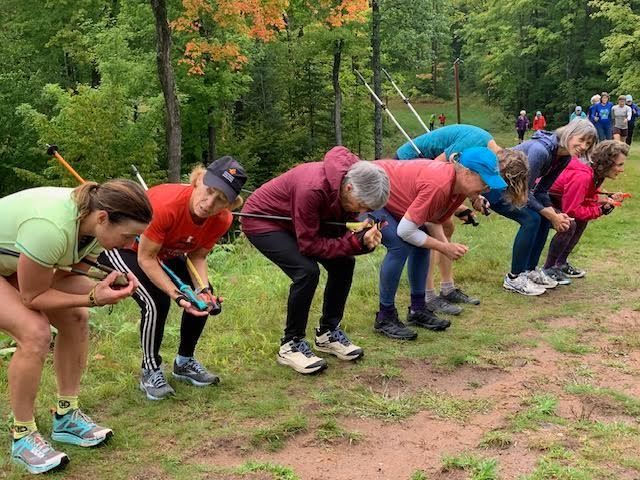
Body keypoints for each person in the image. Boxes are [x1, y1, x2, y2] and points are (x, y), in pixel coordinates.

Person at [0, 180, 152, 474]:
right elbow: (33, 297)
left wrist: (105, 286)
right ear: (104, 218)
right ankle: (22, 435)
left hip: (12, 263)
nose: (130, 245)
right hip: (11, 267)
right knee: (35, 332)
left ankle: (66, 416)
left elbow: (63, 280)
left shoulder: (93, 226)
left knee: (76, 316)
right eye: (129, 236)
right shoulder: (52, 228)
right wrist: (95, 296)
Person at [99, 157, 247, 400]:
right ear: (198, 180)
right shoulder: (166, 207)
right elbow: (147, 259)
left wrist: (201, 288)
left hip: (165, 251)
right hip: (125, 246)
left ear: (231, 205)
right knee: (157, 301)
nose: (209, 203)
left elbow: (198, 257)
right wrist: (177, 294)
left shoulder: (222, 220)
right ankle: (150, 369)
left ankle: (184, 362)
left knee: (203, 300)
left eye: (221, 199)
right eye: (209, 191)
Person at [241, 147, 389, 374]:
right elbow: (309, 245)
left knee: (344, 263)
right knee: (306, 271)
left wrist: (362, 238)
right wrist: (356, 243)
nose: (360, 212)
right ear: (348, 188)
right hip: (264, 221)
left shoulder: (349, 182)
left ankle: (328, 333)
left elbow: (337, 229)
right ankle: (291, 345)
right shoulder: (313, 188)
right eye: (361, 206)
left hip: (301, 221)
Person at [371, 148, 507, 340]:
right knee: (400, 245)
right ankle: (385, 316)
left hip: (391, 194)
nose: (487, 189)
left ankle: (418, 309)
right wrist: (444, 247)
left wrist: (445, 245)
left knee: (423, 241)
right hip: (372, 189)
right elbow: (405, 230)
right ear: (467, 173)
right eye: (484, 182)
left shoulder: (458, 188)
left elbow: (431, 220)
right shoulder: (439, 184)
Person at [394, 125, 510, 314]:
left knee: (447, 227)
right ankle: (428, 296)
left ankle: (447, 288)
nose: (488, 187)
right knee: (430, 228)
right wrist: (458, 207)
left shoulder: (484, 148)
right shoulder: (475, 142)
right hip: (409, 163)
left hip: (432, 174)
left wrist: (473, 198)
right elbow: (440, 170)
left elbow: (462, 178)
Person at [491, 119, 598, 296]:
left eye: (588, 144)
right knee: (531, 219)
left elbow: (541, 191)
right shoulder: (540, 151)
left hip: (515, 190)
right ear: (569, 133)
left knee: (541, 217)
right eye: (581, 140)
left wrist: (555, 213)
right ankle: (514, 277)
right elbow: (524, 192)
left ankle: (531, 271)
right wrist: (550, 213)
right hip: (493, 186)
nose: (584, 146)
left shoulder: (563, 157)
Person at [543, 141, 628, 283]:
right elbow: (572, 210)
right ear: (606, 163)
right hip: (539, 198)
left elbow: (584, 198)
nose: (622, 169)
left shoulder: (596, 173)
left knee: (581, 221)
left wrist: (606, 202)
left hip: (555, 198)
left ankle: (561, 264)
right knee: (569, 224)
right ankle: (548, 268)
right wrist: (600, 209)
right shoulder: (583, 176)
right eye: (619, 165)